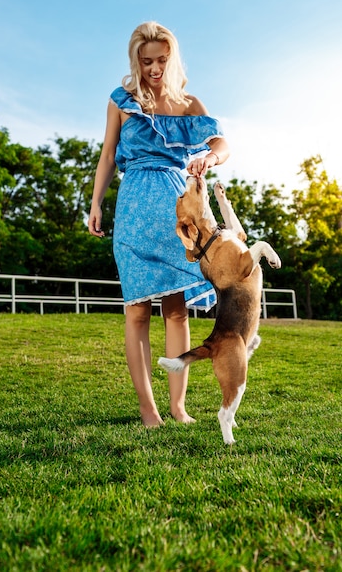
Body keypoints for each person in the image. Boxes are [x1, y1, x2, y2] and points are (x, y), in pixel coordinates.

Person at [88, 21, 230, 427]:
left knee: (177, 310)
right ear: (135, 60)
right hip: (132, 208)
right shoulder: (122, 100)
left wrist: (209, 158)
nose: (153, 68)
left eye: (161, 60)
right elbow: (107, 154)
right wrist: (96, 204)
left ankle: (178, 406)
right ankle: (148, 408)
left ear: (173, 59)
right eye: (145, 60)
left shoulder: (188, 104)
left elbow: (223, 143)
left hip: (176, 211)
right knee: (136, 312)